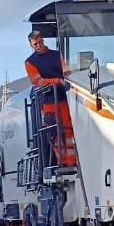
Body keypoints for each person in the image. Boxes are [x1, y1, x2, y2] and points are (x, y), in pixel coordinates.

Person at [24, 30, 76, 167]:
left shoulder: (56, 55)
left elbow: (67, 72)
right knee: (54, 132)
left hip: (64, 98)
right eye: (35, 44)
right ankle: (60, 162)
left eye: (40, 42)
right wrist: (57, 81)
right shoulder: (30, 62)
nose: (38, 45)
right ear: (31, 45)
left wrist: (70, 82)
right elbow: (37, 81)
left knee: (68, 129)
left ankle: (71, 161)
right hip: (47, 101)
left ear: (43, 40)